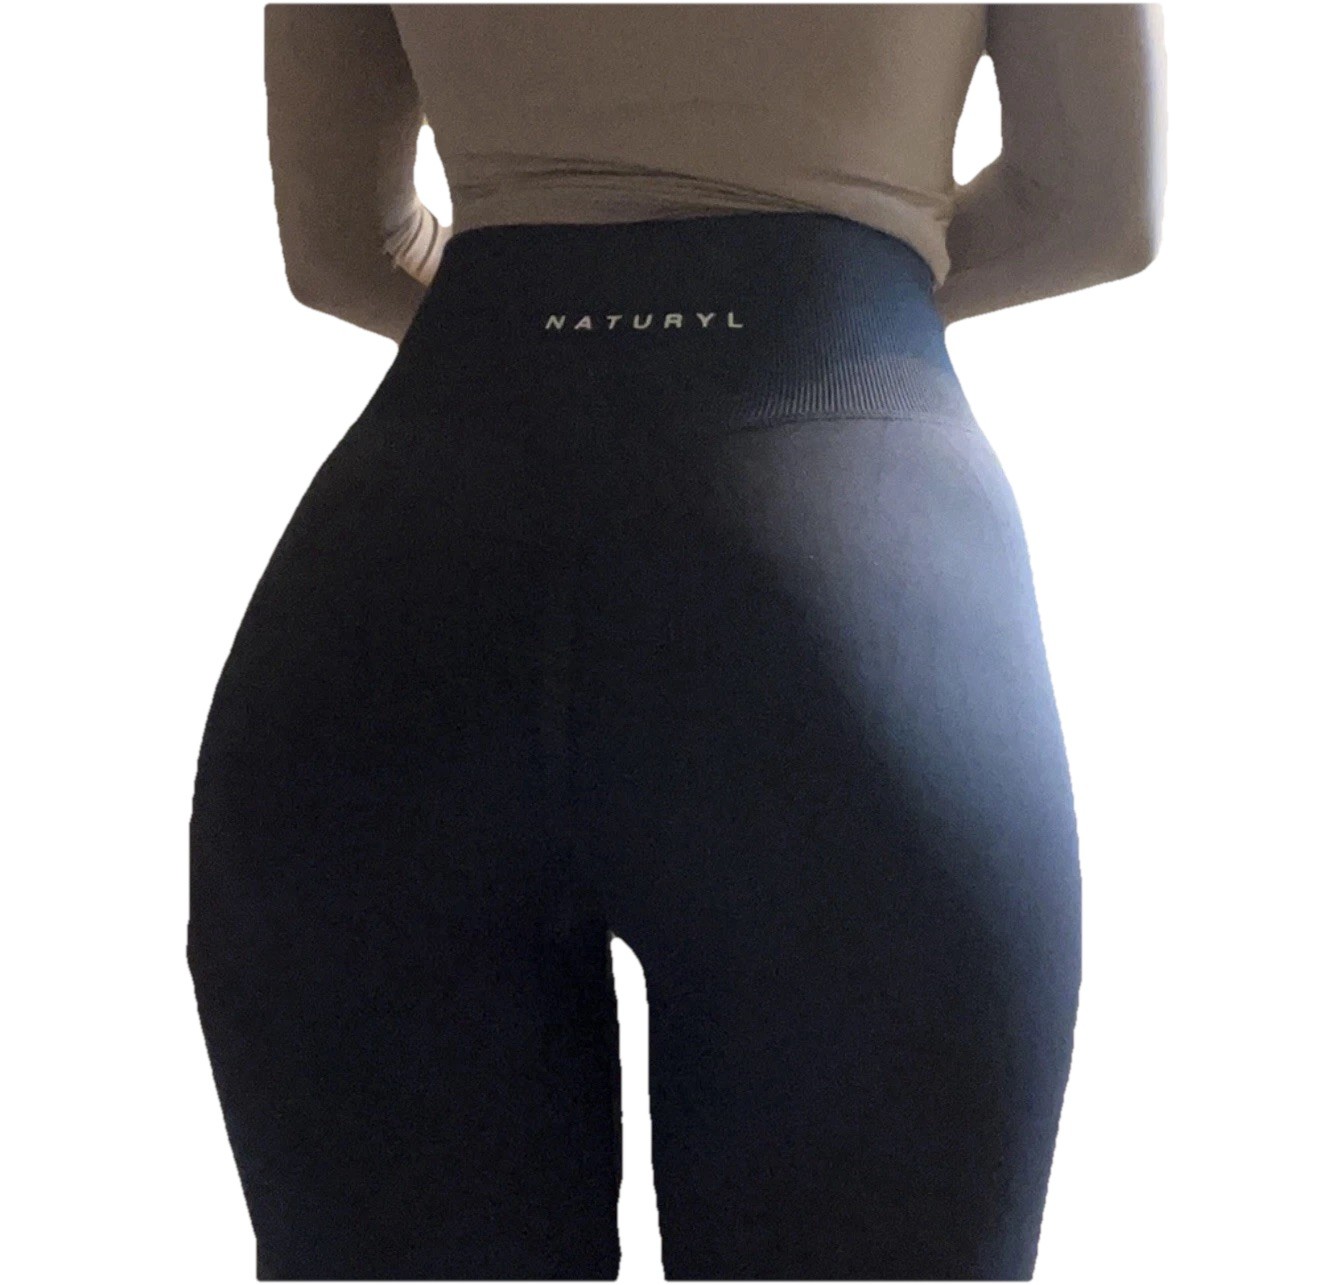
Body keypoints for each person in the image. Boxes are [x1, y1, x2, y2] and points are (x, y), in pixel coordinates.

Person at [186, 4, 1166, 1280]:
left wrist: (549, 335)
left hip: (397, 602)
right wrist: (844, 289)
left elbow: (341, 248)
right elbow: (1094, 204)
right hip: (855, 597)